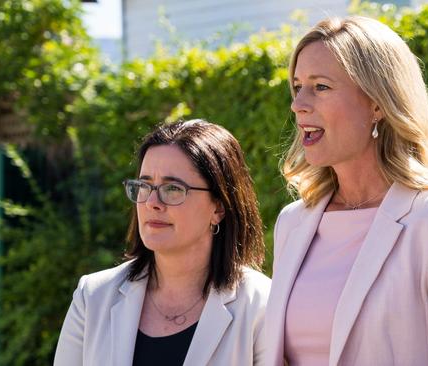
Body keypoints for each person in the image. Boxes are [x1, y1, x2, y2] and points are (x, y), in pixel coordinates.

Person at [264, 16, 428, 366]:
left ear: (378, 103)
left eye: (320, 87)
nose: (298, 104)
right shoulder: (293, 223)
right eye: (297, 86)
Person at [54, 120, 271, 366]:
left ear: (219, 206)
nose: (152, 203)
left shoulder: (261, 306)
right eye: (144, 186)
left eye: (172, 189)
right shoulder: (93, 297)